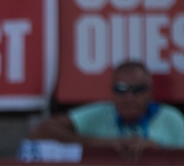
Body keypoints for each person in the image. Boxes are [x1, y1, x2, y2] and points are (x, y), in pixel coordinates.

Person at [30, 60, 184, 159]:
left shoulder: (171, 118)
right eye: (121, 89)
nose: (129, 97)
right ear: (112, 92)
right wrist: (104, 143)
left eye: (137, 89)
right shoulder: (102, 113)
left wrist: (157, 151)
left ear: (151, 92)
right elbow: (41, 131)